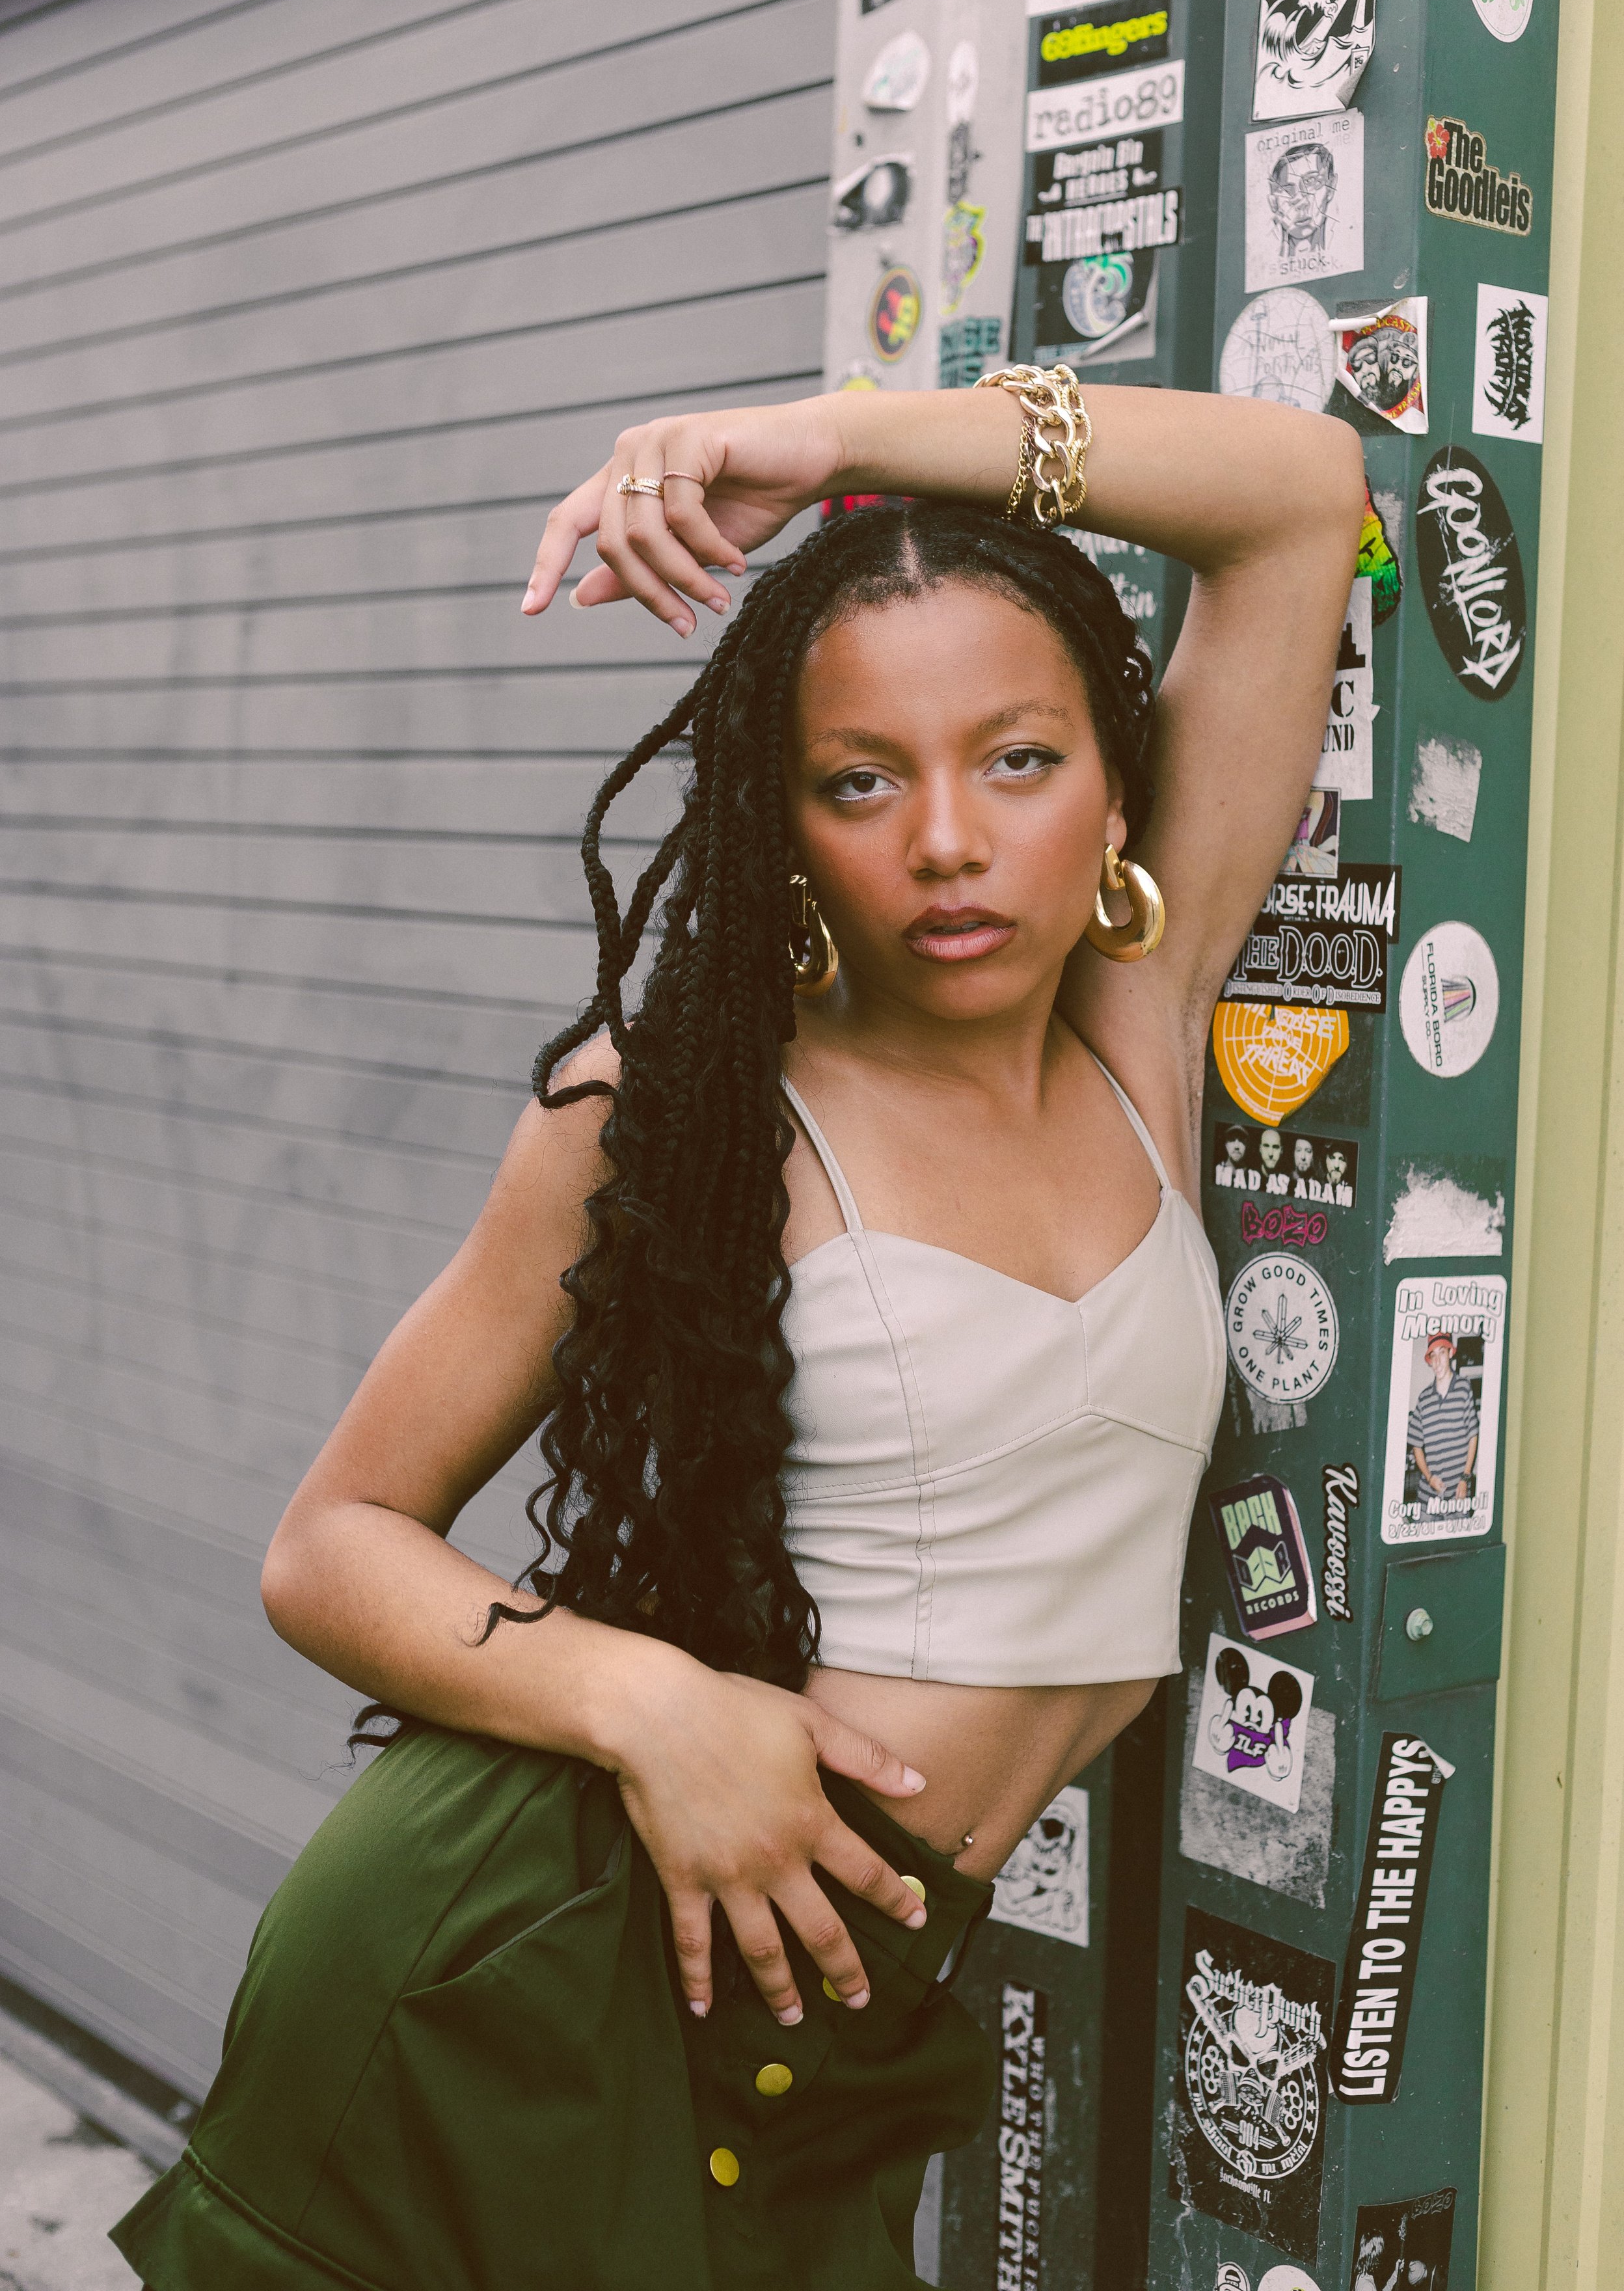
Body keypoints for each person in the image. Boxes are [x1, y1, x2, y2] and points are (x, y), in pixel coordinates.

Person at [113, 373, 1361, 2290]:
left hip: (830, 2026)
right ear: (782, 818)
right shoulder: (685, 1108)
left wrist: (831, 440)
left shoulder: (1135, 1030)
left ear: (1116, 774)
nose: (947, 839)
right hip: (538, 1967)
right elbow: (329, 1546)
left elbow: (1295, 495)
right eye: (860, 779)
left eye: (1016, 760)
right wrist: (656, 1707)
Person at [1407, 1331, 1479, 1512]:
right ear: (1429, 1360)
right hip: (1427, 1498)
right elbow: (1416, 1445)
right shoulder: (1423, 1398)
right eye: (1433, 1355)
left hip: (1459, 1494)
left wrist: (1465, 1478)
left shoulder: (1464, 1388)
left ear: (1450, 1353)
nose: (1437, 1361)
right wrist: (1429, 1477)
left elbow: (1473, 1435)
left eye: (1442, 1353)